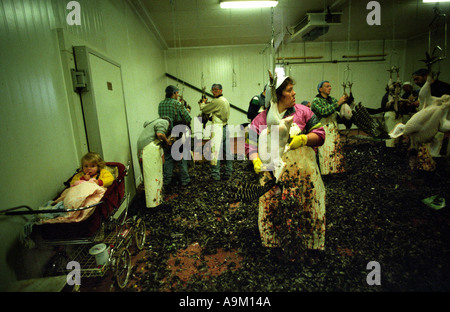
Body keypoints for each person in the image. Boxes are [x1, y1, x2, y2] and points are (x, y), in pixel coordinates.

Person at [246, 76, 326, 257]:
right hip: (273, 175)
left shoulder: (303, 112)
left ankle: (309, 245)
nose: (294, 93)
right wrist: (256, 160)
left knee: (305, 207)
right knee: (274, 208)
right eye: (289, 90)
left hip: (303, 173)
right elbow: (250, 145)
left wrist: (304, 139)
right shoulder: (260, 120)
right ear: (277, 95)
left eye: (292, 89)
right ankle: (274, 245)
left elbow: (320, 135)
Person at [310, 81, 348, 175]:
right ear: (320, 89)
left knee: (336, 151)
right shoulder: (316, 101)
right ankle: (327, 173)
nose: (330, 88)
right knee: (325, 152)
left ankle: (337, 171)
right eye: (327, 86)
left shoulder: (332, 100)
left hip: (333, 129)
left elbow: (340, 109)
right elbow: (323, 112)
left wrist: (346, 102)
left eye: (330, 86)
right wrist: (338, 103)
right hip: (323, 130)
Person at [158, 85, 192, 188]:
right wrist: (187, 111)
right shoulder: (177, 104)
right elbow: (188, 118)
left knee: (168, 158)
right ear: (173, 93)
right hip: (178, 134)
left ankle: (167, 181)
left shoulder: (160, 104)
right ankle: (185, 180)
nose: (178, 95)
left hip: (166, 135)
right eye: (177, 93)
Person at [199, 83, 233, 181]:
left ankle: (215, 175)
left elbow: (204, 109)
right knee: (228, 152)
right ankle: (228, 172)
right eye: (213, 90)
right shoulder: (225, 100)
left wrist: (203, 102)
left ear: (221, 90)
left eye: (216, 90)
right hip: (225, 127)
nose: (214, 92)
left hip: (218, 129)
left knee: (215, 152)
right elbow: (218, 113)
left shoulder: (217, 101)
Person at [137, 117, 173, 207]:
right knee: (152, 177)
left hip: (144, 149)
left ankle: (155, 199)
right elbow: (160, 134)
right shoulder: (164, 122)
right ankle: (154, 204)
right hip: (149, 149)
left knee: (149, 176)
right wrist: (167, 141)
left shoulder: (151, 125)